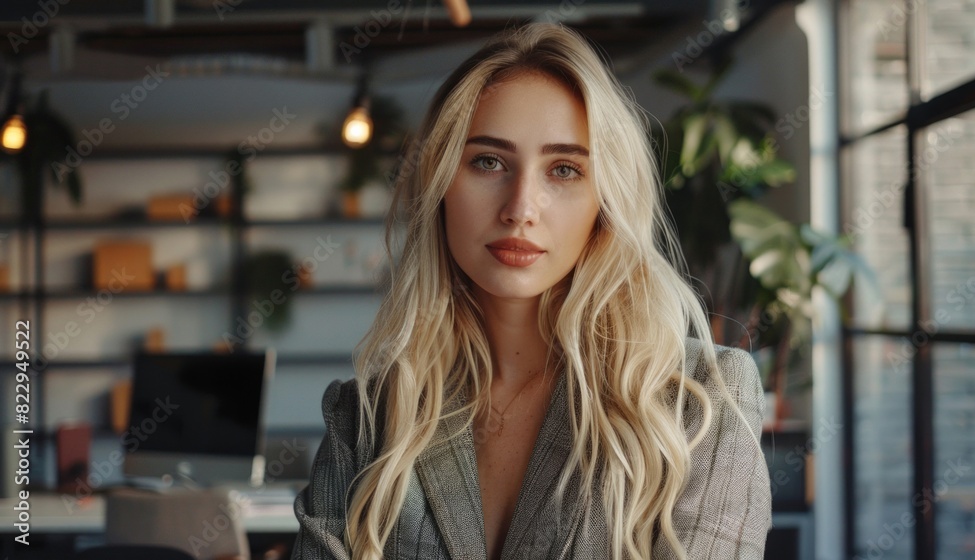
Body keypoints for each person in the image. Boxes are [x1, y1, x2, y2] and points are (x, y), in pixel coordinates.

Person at [292, 22, 771, 560]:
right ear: (441, 182)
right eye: (488, 161)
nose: (521, 207)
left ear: (605, 201)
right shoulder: (366, 417)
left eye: (564, 169)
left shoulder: (699, 401)